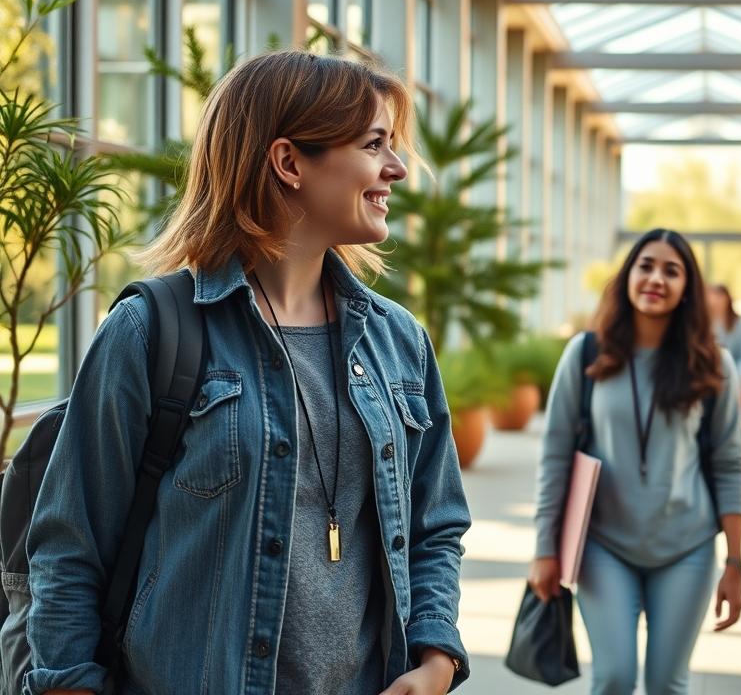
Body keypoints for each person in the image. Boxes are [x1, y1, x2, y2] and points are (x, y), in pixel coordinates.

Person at [25, 51, 470, 695]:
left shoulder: (398, 341)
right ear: (289, 163)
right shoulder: (151, 332)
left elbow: (435, 526)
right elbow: (70, 549)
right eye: (376, 145)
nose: (397, 170)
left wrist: (435, 663)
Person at [528, 228, 741, 695]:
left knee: (668, 684)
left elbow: (729, 464)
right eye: (646, 265)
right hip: (603, 546)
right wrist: (546, 549)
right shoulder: (586, 354)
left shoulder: (714, 366)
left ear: (688, 288)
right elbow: (555, 458)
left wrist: (735, 562)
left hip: (686, 547)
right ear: (628, 275)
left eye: (672, 270)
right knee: (613, 678)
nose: (656, 278)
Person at [708, 283, 741, 410]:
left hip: (735, 380)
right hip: (710, 382)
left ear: (727, 299)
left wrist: (736, 379)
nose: (715, 302)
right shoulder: (706, 325)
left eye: (719, 297)